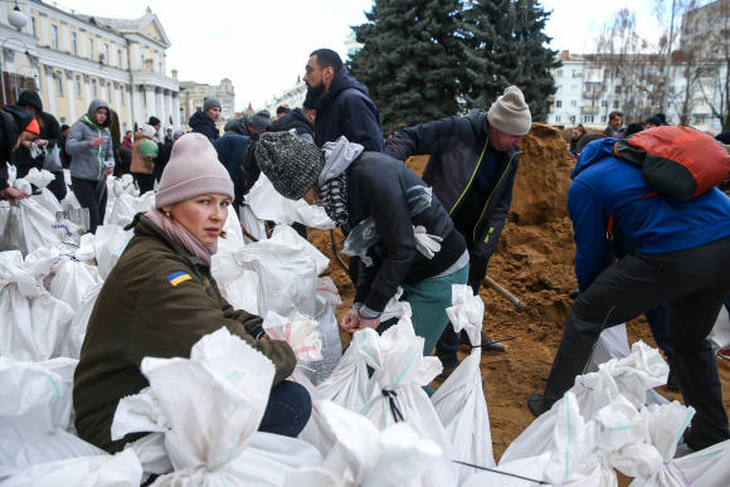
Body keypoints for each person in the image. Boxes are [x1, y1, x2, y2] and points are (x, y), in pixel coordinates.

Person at [73, 133, 310, 453]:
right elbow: (223, 354)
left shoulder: (171, 248)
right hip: (118, 421)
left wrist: (257, 327)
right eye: (204, 202)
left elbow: (215, 309)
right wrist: (286, 352)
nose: (218, 214)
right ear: (171, 205)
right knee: (290, 402)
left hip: (140, 390)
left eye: (224, 203)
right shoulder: (160, 271)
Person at [527, 135, 730, 451]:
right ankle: (712, 431)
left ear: (580, 157)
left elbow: (591, 251)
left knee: (585, 314)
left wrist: (592, 295)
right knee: (690, 340)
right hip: (725, 243)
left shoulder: (587, 183)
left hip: (677, 252)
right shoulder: (644, 161)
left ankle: (554, 404)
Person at [256, 130, 469, 361]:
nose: (307, 202)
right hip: (407, 272)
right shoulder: (338, 189)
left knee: (397, 366)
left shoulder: (370, 176)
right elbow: (364, 251)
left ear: (310, 175)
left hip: (439, 274)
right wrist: (361, 305)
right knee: (367, 357)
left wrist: (373, 310)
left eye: (303, 192)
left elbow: (401, 247)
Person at [385, 85, 532, 372]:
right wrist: (386, 171)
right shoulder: (458, 130)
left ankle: (459, 341)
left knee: (463, 297)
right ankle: (437, 355)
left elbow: (502, 204)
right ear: (496, 126)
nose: (519, 142)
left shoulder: (510, 156)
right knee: (433, 293)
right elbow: (408, 138)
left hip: (473, 238)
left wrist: (486, 246)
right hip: (434, 230)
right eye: (515, 135)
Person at [303, 48, 383, 151]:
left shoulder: (352, 100)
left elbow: (372, 153)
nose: (305, 77)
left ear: (328, 72)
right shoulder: (327, 104)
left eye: (309, 70)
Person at [66, 99, 114, 233]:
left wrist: (110, 165)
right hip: (81, 178)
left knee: (100, 214)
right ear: (93, 112)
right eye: (99, 112)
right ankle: (90, 246)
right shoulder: (80, 126)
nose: (102, 116)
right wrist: (89, 144)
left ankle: (97, 245)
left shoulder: (106, 132)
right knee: (92, 215)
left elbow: (109, 154)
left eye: (105, 114)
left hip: (100, 179)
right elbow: (69, 147)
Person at [17, 89, 66, 201]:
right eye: (24, 108)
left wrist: (45, 142)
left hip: (48, 168)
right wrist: (23, 142)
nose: (27, 111)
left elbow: (59, 141)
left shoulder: (48, 120)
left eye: (30, 108)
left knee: (52, 200)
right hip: (26, 168)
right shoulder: (18, 121)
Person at [0, 104, 35, 201]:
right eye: (26, 137)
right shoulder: (3, 136)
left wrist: (4, 190)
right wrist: (5, 187)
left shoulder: (5, 130)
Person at [129, 123, 158, 194]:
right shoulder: (145, 142)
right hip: (144, 169)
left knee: (143, 189)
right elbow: (150, 156)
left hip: (138, 169)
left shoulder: (139, 140)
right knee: (147, 191)